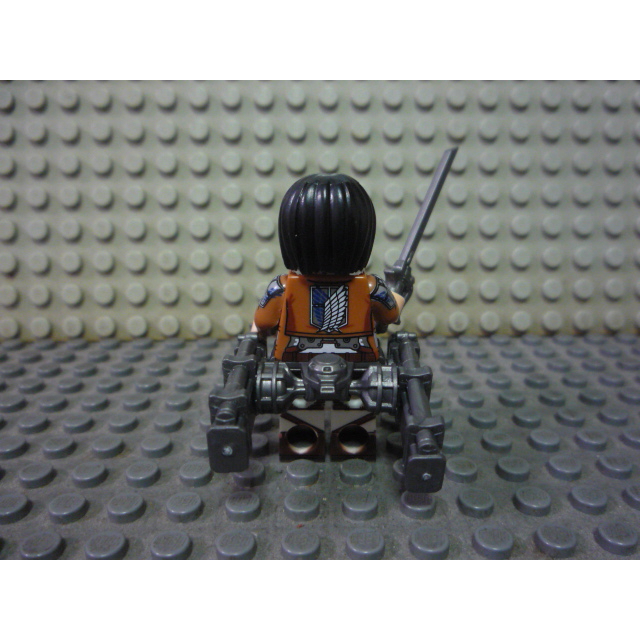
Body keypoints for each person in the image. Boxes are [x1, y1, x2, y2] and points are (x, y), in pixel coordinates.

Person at [251, 173, 409, 459]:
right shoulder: (372, 288)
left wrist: (255, 335)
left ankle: (301, 441)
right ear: (362, 237)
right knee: (356, 403)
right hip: (359, 363)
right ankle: (353, 441)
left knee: (298, 403)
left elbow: (262, 323)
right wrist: (400, 290)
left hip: (294, 362)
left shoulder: (281, 288)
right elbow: (391, 314)